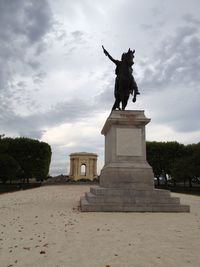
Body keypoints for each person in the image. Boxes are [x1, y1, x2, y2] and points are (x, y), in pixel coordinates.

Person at [102, 46, 140, 110]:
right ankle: (117, 92)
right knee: (118, 79)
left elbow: (131, 71)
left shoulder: (129, 67)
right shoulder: (119, 63)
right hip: (120, 79)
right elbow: (112, 59)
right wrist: (107, 53)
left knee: (132, 80)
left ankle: (136, 91)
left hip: (128, 79)